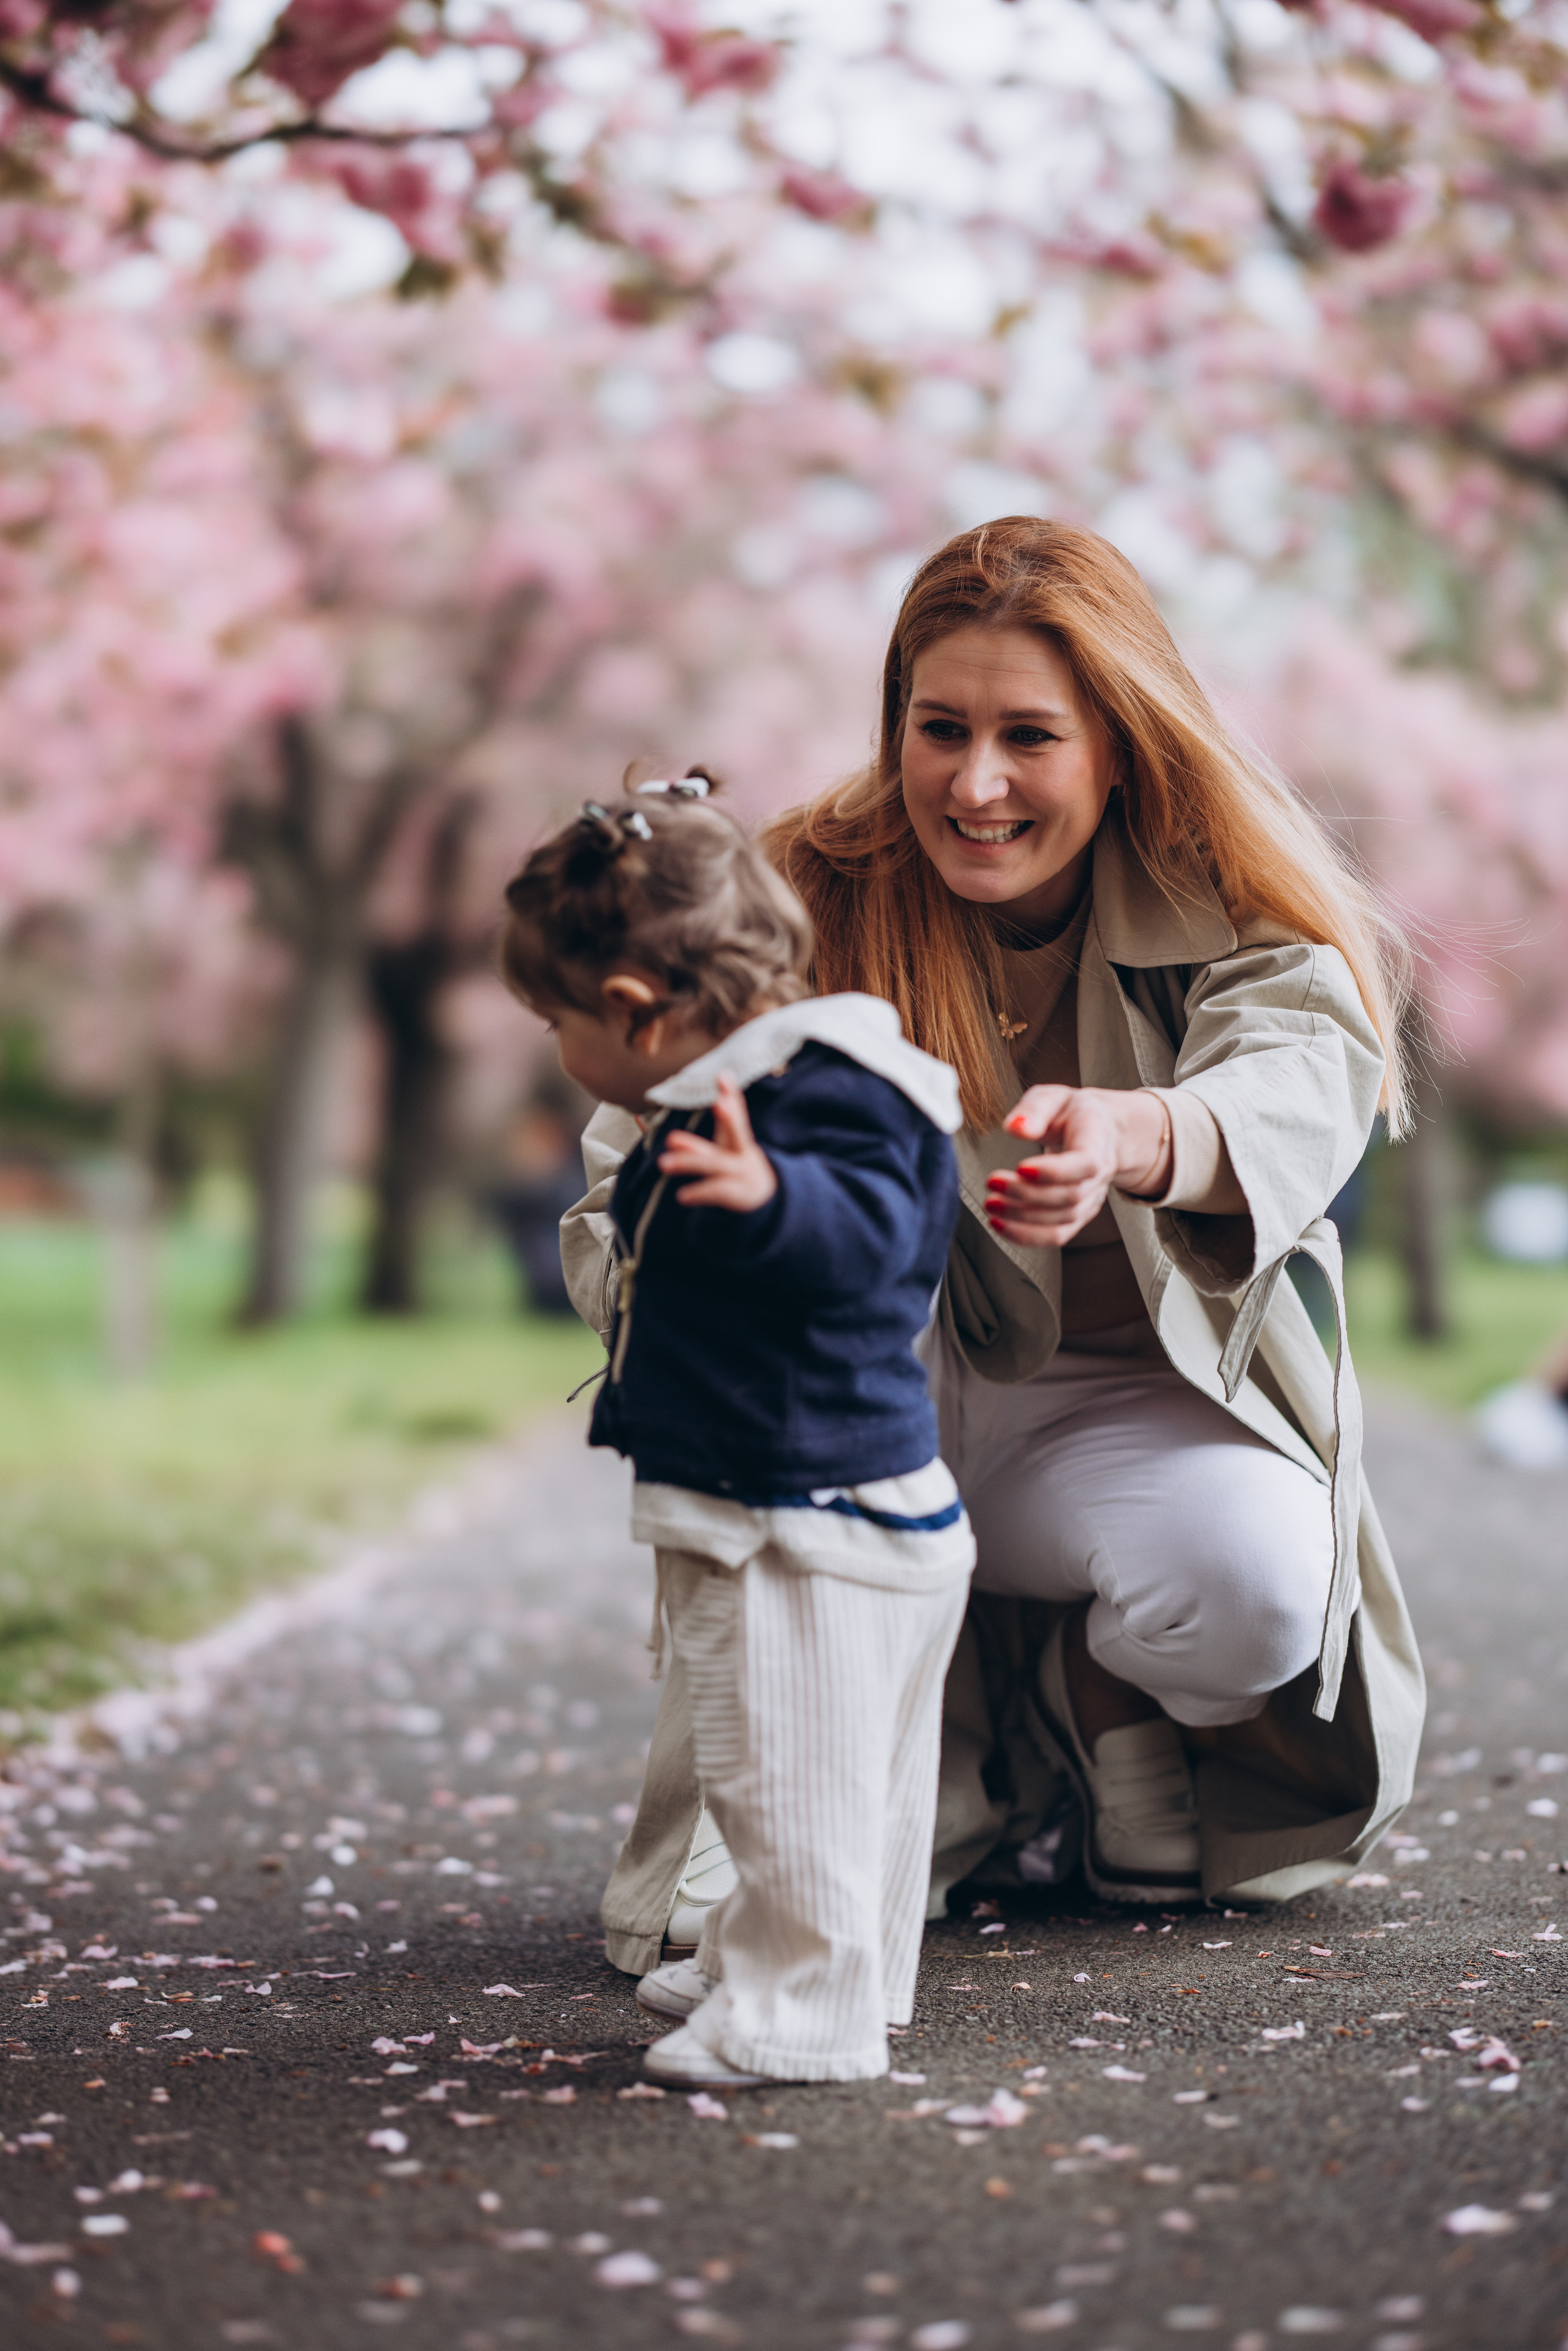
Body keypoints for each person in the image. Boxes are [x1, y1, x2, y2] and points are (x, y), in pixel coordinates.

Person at [565, 519, 1425, 1973]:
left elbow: (1298, 1066)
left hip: (1110, 1411)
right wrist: (717, 1235)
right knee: (732, 1930)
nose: (974, 782)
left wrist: (1134, 1135)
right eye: (937, 726)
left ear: (1116, 742)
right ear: (892, 717)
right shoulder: (788, 898)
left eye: (1027, 734)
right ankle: (958, 1763)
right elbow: (614, 1194)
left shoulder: (1223, 893)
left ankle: (1101, 1702)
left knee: (1251, 1592)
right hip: (858, 1417)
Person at [499, 775, 974, 2088]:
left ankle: (803, 2012)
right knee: (808, 1764)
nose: (554, 1048)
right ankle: (783, 1957)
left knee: (791, 1777)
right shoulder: (758, 1082)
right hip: (802, 1501)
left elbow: (879, 1230)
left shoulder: (820, 1097)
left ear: (632, 1012)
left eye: (552, 1020)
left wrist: (773, 1199)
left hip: (802, 1513)